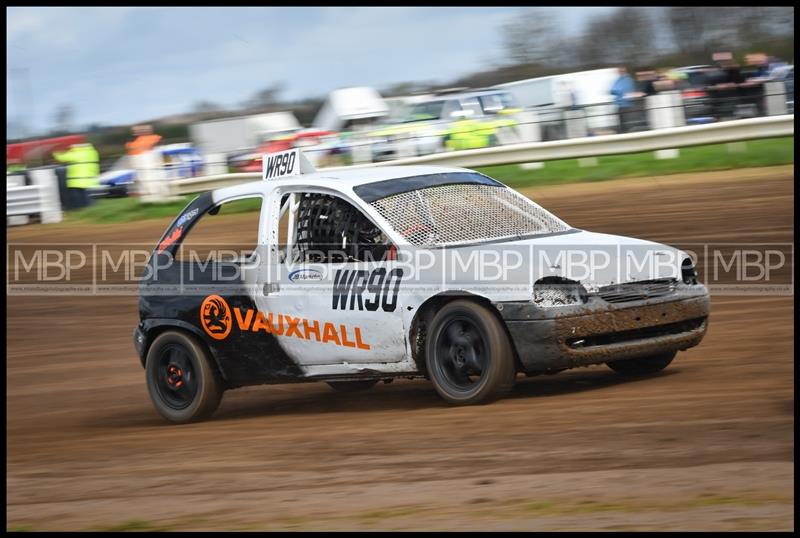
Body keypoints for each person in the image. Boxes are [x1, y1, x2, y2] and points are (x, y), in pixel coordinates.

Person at [53, 142, 100, 209]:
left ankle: (81, 212)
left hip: (77, 181)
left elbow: (62, 158)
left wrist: (55, 152)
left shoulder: (77, 153)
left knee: (79, 202)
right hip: (91, 180)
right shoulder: (92, 152)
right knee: (90, 201)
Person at [610, 66, 636, 133]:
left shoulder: (627, 80)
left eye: (620, 71)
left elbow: (622, 90)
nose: (618, 72)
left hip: (626, 105)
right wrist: (616, 91)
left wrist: (616, 91)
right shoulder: (618, 79)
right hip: (620, 104)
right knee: (622, 124)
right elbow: (612, 90)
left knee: (626, 124)